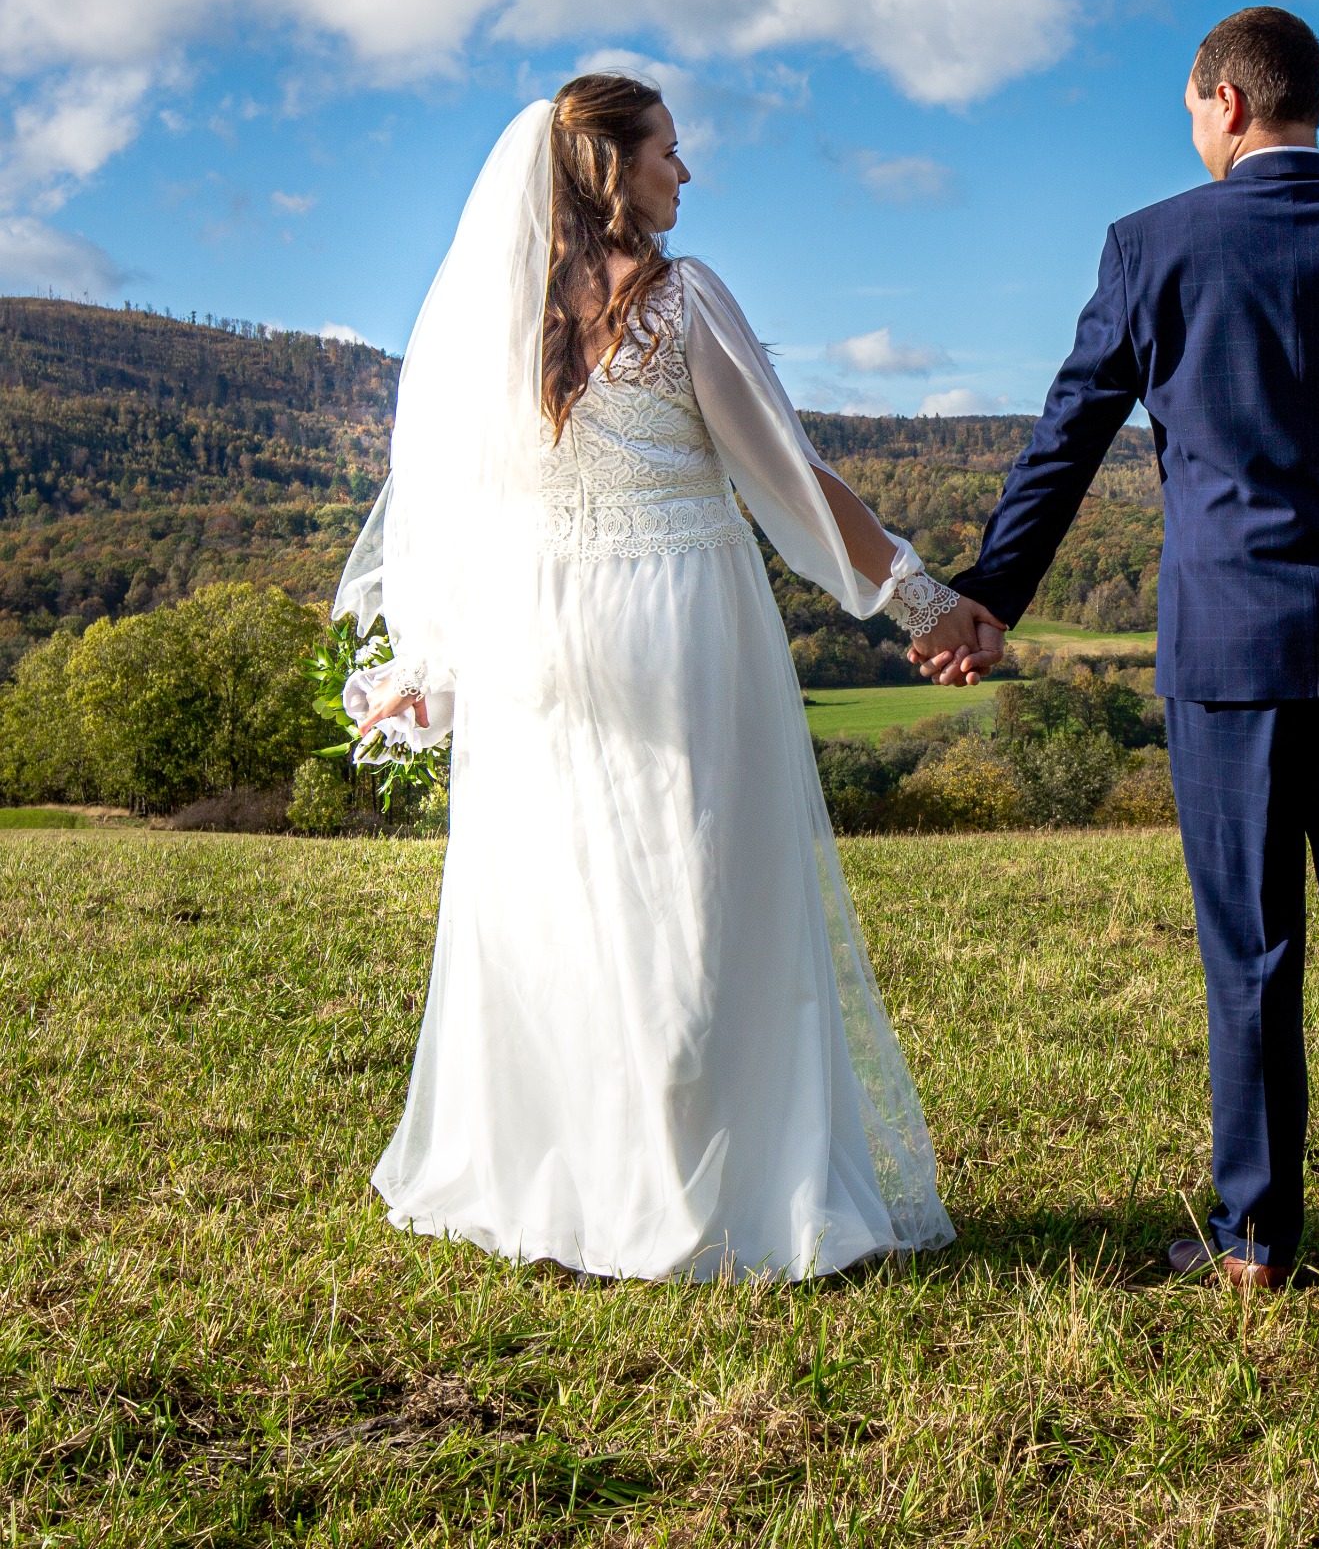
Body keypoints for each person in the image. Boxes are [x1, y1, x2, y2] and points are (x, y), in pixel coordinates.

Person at [338, 73, 999, 1282]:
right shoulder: (681, 297)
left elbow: (457, 506)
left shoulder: (502, 317)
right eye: (668, 151)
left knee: (566, 909)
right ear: (612, 168)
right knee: (699, 905)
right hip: (677, 627)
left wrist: (436, 659)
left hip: (540, 635)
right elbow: (790, 477)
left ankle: (591, 1187)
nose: (684, 173)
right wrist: (924, 597)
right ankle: (713, 1192)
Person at [943, 8, 1319, 1298]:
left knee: (1249, 949)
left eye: (1192, 108)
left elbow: (1067, 434)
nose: (1192, 128)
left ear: (1229, 103)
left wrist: (993, 596)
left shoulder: (1150, 244)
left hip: (1224, 650)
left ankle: (1255, 1240)